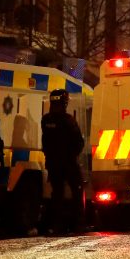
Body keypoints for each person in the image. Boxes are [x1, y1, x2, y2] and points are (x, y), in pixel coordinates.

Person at [40, 88, 84, 235]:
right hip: (69, 163)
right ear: (65, 102)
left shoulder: (45, 120)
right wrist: (72, 156)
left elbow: (45, 143)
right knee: (77, 193)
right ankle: (77, 225)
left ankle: (57, 226)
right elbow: (79, 142)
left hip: (53, 164)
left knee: (57, 195)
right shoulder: (68, 120)